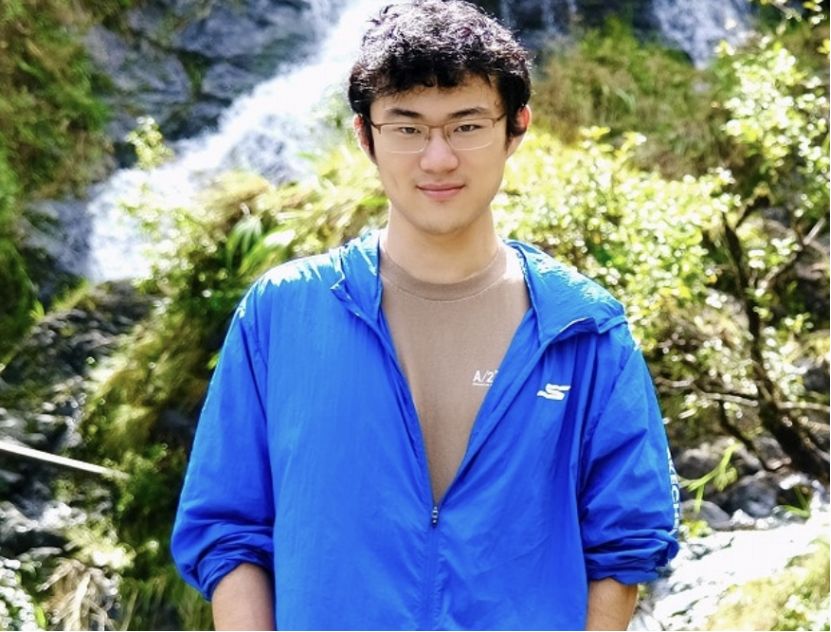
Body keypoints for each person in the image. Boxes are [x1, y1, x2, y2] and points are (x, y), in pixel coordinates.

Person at [170, 0, 681, 629]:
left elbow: (627, 541)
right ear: (366, 137)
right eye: (407, 128)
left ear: (516, 127)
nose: (438, 159)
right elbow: (229, 529)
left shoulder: (583, 329)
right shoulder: (281, 313)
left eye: (467, 126)